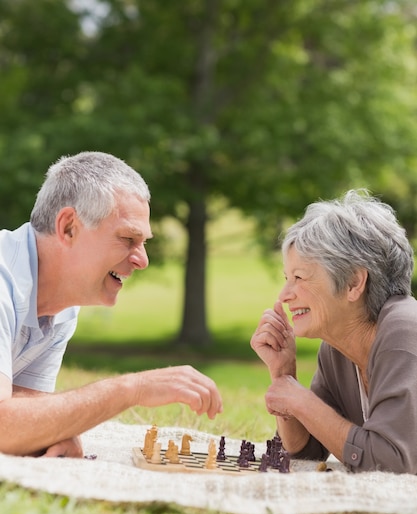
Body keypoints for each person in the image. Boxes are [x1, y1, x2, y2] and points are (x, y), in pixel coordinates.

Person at [0, 151, 222, 458]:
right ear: (68, 228)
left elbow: (28, 411)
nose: (142, 260)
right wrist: (132, 389)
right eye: (128, 239)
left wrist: (54, 430)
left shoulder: (61, 307)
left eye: (144, 243)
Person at [251, 189, 417, 474]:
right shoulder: (337, 347)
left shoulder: (405, 330)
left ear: (354, 283)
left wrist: (302, 401)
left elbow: (393, 463)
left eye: (299, 278)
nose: (284, 295)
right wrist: (284, 375)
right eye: (286, 279)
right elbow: (308, 450)